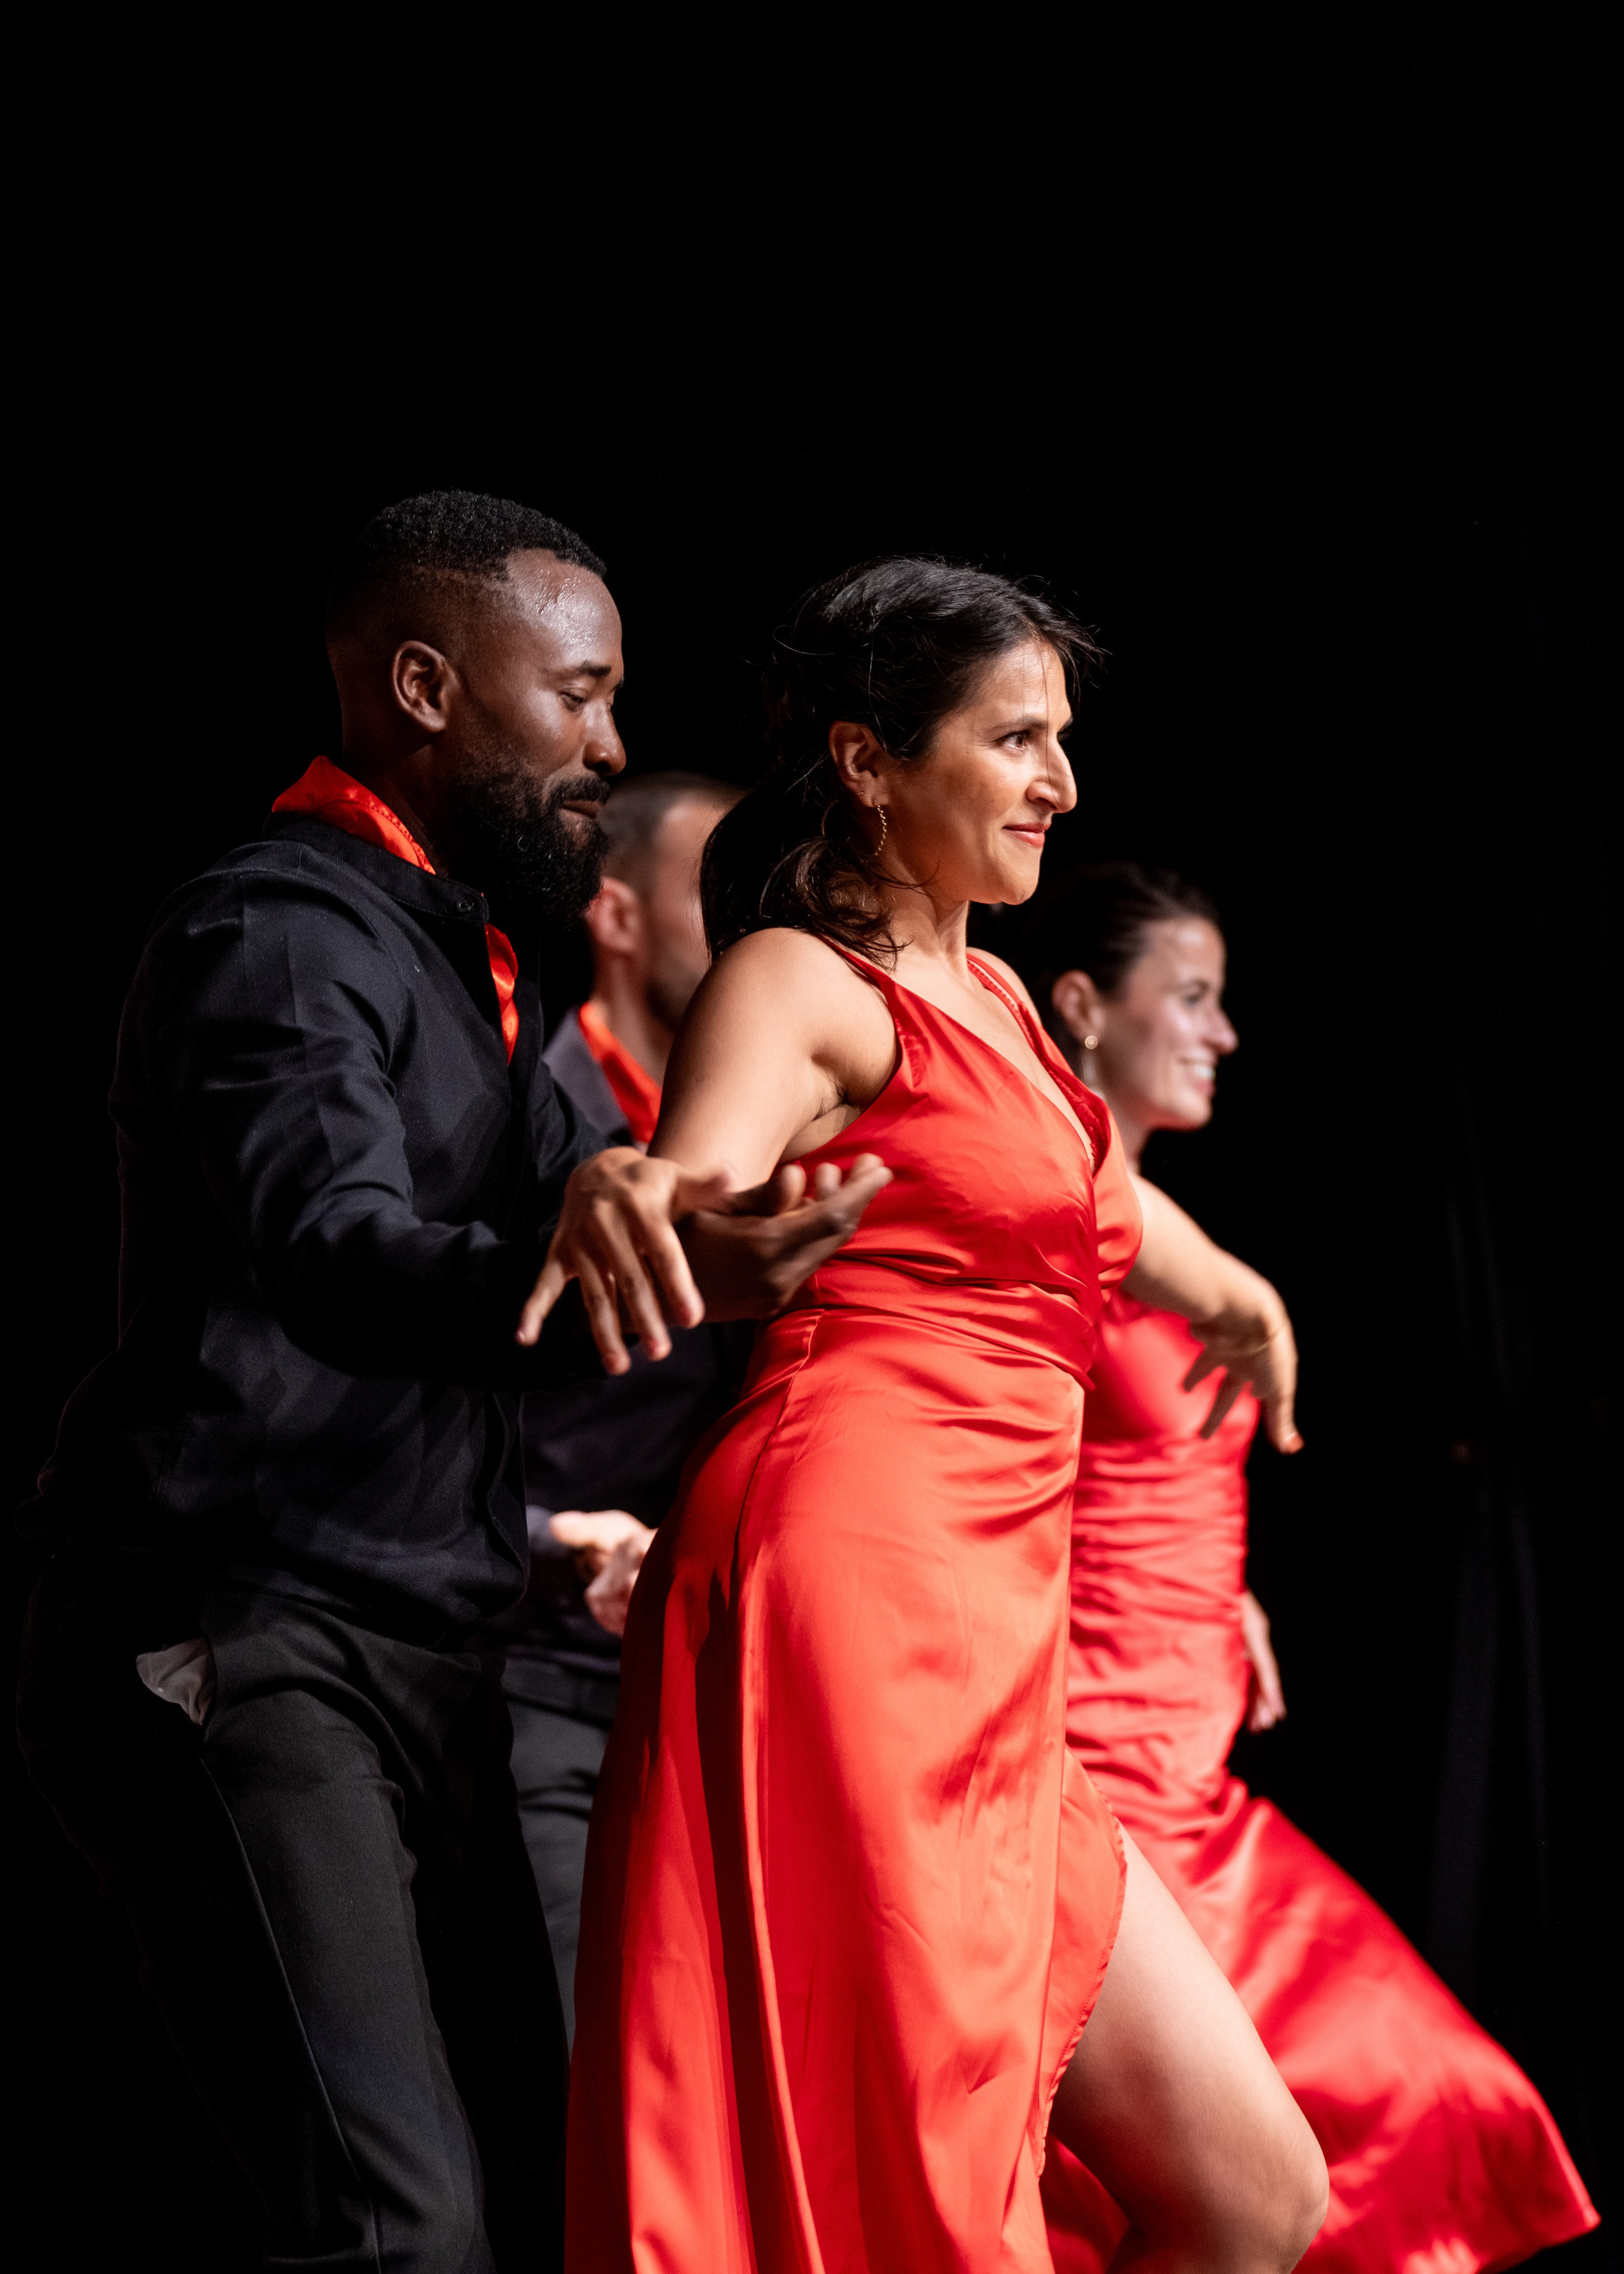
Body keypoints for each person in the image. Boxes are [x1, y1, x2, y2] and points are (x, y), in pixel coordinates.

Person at [15, 492, 886, 2274]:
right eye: (580, 694)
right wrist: (632, 1267)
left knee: (619, 2175)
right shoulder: (277, 933)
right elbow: (343, 1257)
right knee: (401, 2229)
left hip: (433, 1637)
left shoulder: (486, 962)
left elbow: (608, 1236)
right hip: (239, 1633)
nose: (613, 744)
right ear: (423, 684)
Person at [563, 558, 1330, 2273]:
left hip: (1003, 1640)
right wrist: (665, 1205)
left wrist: (1240, 1297)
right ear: (868, 760)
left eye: (1061, 739)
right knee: (907, 2168)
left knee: (1257, 2194)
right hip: (855, 1600)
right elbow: (698, 1182)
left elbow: (1110, 1220)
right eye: (1013, 738)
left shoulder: (1005, 1008)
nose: (1058, 779)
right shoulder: (806, 981)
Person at [1014, 863, 1599, 2273]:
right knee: (1324, 2128)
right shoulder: (1037, 1226)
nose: (1220, 1033)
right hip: (1099, 1771)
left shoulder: (1164, 1234)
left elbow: (1145, 1464)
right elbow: (992, 1477)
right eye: (1193, 998)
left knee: (1422, 2112)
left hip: (1192, 1743)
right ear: (1082, 1006)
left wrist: (1233, 1591)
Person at [492, 771, 752, 2042]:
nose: (745, 925)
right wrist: (558, 1541)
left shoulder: (759, 1141)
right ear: (614, 913)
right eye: (711, 892)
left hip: (729, 1700)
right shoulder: (516, 1128)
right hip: (549, 1684)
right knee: (595, 2086)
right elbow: (416, 1412)